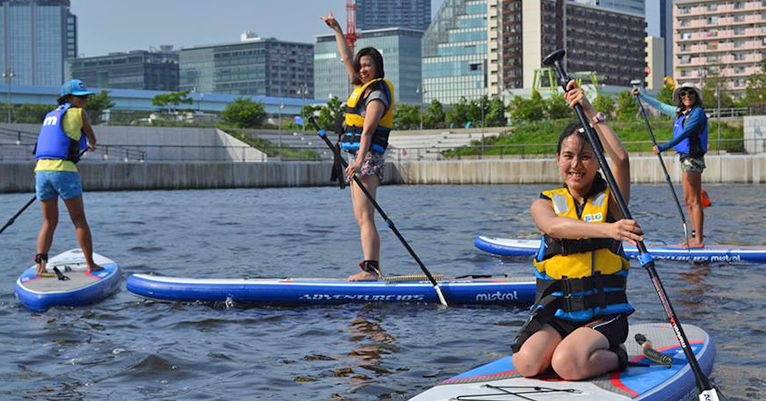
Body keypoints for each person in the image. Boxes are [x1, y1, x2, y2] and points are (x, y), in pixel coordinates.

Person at [511, 81, 643, 381]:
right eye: (568, 156)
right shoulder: (544, 204)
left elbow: (621, 160)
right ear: (558, 159)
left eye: (585, 156)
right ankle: (567, 349)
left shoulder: (612, 205)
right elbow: (554, 226)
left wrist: (590, 110)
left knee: (566, 365)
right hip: (560, 315)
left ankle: (617, 355)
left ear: (597, 162)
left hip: (603, 316)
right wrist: (609, 230)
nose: (576, 164)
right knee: (527, 363)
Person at [321, 11, 396, 281]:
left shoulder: (377, 92)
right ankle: (371, 268)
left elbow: (368, 130)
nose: (362, 69)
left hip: (365, 158)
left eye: (368, 65)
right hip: (356, 157)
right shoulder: (362, 86)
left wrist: (357, 161)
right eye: (361, 65)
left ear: (377, 67)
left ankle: (371, 271)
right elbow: (346, 60)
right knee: (361, 218)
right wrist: (338, 30)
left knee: (366, 217)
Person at [33, 79, 102, 276]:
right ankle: (91, 265)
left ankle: (41, 267)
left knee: (49, 222)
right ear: (68, 98)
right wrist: (92, 143)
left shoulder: (50, 115)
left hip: (41, 171)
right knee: (79, 220)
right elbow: (91, 136)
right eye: (80, 97)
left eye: (85, 97)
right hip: (63, 171)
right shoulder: (79, 113)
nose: (84, 100)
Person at [633, 83, 707, 248]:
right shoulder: (679, 112)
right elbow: (659, 105)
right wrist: (642, 96)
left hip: (693, 159)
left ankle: (698, 240)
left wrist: (663, 147)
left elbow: (686, 132)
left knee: (694, 200)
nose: (687, 96)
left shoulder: (698, 113)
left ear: (696, 96)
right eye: (683, 94)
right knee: (688, 200)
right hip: (685, 159)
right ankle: (694, 237)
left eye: (690, 93)